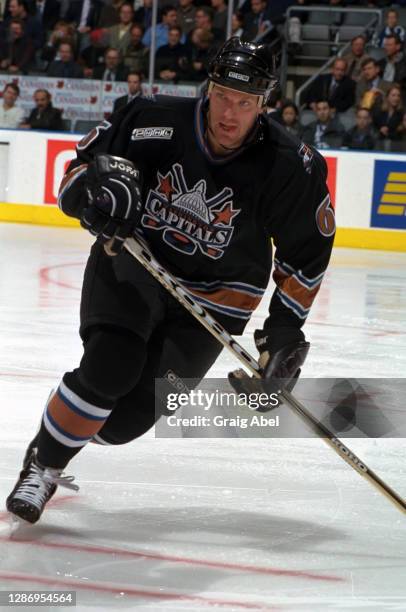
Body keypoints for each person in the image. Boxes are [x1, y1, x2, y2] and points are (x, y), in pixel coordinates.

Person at [6, 37, 335, 524]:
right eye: (223, 95)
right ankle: (44, 463)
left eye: (245, 103)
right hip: (134, 265)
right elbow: (78, 174)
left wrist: (283, 333)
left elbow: (305, 253)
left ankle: (68, 420)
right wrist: (92, 193)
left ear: (264, 103)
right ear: (209, 87)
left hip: (217, 301)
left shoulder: (290, 166)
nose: (230, 113)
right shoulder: (149, 119)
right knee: (109, 369)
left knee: (123, 424)